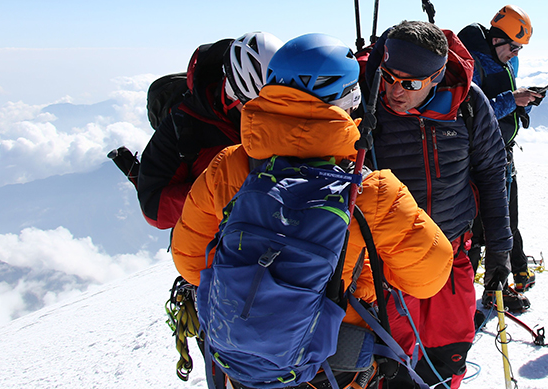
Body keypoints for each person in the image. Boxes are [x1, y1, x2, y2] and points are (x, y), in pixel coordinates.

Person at [172, 33, 454, 388]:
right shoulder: (372, 190)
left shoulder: (227, 167)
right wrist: (362, 279)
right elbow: (429, 277)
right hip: (328, 365)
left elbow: (190, 262)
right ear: (350, 99)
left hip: (238, 360)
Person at [362, 20, 512, 388]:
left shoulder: (468, 103)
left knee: (448, 354)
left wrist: (499, 249)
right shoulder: (365, 102)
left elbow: (493, 173)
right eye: (389, 76)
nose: (395, 90)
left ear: (437, 76)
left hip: (450, 250)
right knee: (390, 363)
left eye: (410, 83)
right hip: (389, 260)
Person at [137, 32, 283, 229]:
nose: (262, 116)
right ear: (232, 94)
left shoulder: (281, 113)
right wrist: (222, 192)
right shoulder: (184, 123)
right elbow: (154, 208)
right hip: (213, 246)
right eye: (251, 106)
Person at [457, 5, 541, 295]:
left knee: (506, 222)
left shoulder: (498, 62)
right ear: (496, 40)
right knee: (481, 230)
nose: (516, 54)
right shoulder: (471, 66)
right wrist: (512, 100)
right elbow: (470, 116)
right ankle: (486, 292)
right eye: (515, 47)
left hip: (501, 155)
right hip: (478, 162)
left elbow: (497, 104)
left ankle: (503, 283)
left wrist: (520, 108)